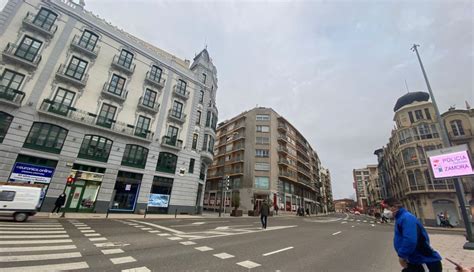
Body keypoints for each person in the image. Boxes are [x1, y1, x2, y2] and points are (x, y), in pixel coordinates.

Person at [384, 198, 442, 272]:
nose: (385, 211)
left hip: (424, 261)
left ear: (394, 207)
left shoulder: (406, 218)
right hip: (415, 260)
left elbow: (410, 240)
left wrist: (402, 255)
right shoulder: (400, 218)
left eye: (386, 208)